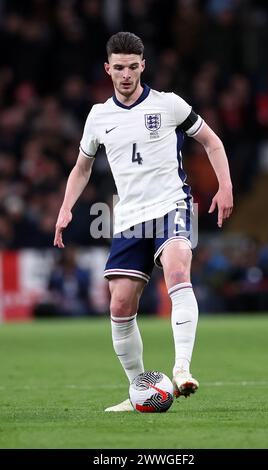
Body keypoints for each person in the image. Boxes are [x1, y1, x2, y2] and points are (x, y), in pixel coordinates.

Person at [54, 32, 233, 411]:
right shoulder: (99, 116)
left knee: (177, 269)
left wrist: (225, 186)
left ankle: (182, 370)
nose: (125, 74)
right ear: (108, 69)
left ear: (142, 67)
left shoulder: (169, 105)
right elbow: (81, 167)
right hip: (130, 218)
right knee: (119, 306)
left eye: (132, 67)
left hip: (172, 205)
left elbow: (212, 142)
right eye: (118, 67)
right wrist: (65, 207)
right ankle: (140, 390)